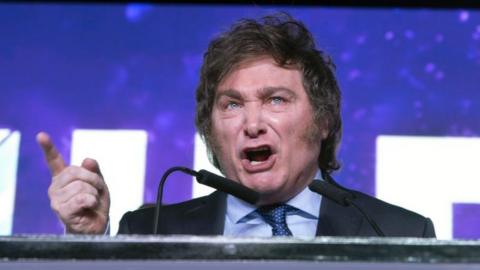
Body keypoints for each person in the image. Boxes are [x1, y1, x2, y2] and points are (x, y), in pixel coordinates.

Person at [37, 13, 435, 237]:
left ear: (324, 119)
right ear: (210, 129)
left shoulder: (397, 232)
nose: (252, 124)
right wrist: (88, 247)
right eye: (232, 104)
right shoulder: (150, 230)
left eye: (275, 99)